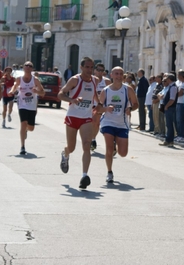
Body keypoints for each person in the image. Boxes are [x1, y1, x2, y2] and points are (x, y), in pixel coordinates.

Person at [58, 57, 101, 189]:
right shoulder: (75, 80)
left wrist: (98, 104)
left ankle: (84, 176)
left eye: (91, 67)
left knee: (87, 145)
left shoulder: (95, 80)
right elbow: (60, 94)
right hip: (72, 116)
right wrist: (73, 99)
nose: (89, 70)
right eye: (87, 67)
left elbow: (94, 95)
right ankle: (65, 154)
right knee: (71, 148)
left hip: (86, 118)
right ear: (81, 67)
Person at [99, 66, 138, 182]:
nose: (118, 76)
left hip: (122, 123)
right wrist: (106, 109)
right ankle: (109, 172)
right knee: (109, 148)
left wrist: (130, 109)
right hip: (108, 122)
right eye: (116, 74)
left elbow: (136, 104)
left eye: (121, 74)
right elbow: (98, 109)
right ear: (111, 75)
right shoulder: (105, 91)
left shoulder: (128, 89)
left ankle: (116, 146)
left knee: (123, 153)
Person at [8, 62, 45, 155]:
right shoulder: (19, 79)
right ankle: (22, 147)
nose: (28, 67)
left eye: (30, 66)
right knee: (23, 123)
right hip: (22, 104)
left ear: (32, 69)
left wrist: (37, 91)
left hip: (32, 106)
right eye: (26, 65)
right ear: (23, 67)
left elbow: (43, 92)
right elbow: (15, 86)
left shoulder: (35, 80)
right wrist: (12, 91)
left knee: (31, 128)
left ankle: (26, 131)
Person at [91, 63, 112, 151]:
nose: (100, 72)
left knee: (97, 123)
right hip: (92, 105)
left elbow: (111, 92)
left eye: (102, 71)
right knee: (93, 123)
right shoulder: (91, 80)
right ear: (95, 70)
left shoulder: (106, 81)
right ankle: (91, 139)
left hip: (102, 105)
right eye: (98, 70)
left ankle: (93, 140)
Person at [159, 74, 178, 147]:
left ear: (170, 79)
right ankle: (168, 139)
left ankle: (169, 140)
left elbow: (172, 99)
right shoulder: (170, 86)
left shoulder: (173, 87)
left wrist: (167, 106)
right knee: (168, 124)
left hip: (170, 108)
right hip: (169, 107)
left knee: (169, 124)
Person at [175, 70, 184, 142]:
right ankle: (179, 134)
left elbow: (180, 93)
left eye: (178, 75)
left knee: (181, 119)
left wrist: (173, 94)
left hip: (182, 103)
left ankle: (182, 135)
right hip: (178, 102)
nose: (177, 76)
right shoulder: (178, 83)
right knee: (178, 120)